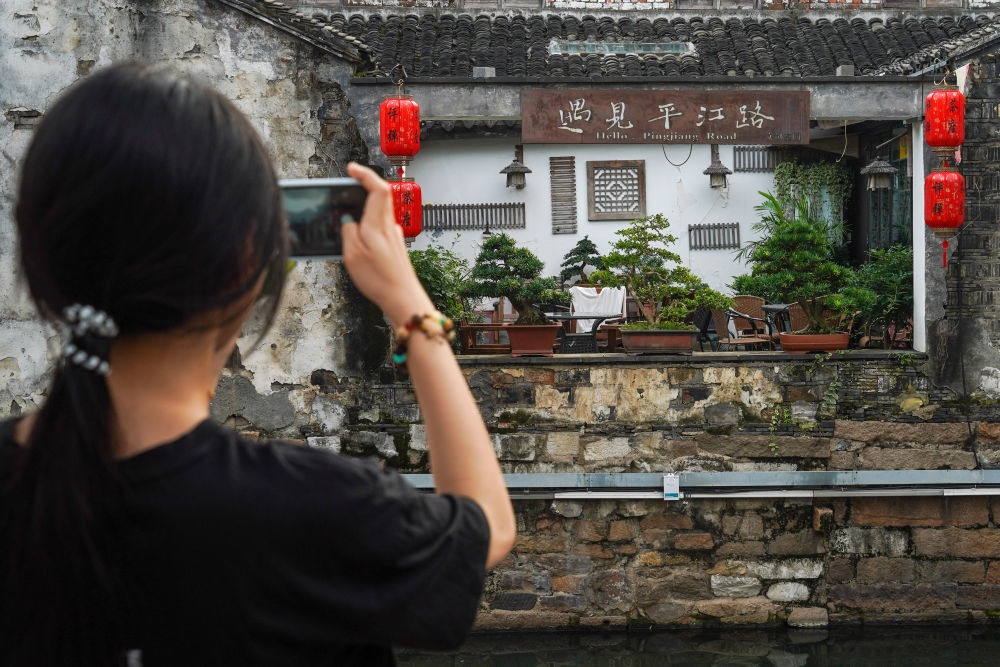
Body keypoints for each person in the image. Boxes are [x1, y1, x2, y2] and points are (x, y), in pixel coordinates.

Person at [1, 62, 515, 666]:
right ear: (245, 262)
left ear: (43, 259)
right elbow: (486, 523)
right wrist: (411, 307)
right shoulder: (313, 507)